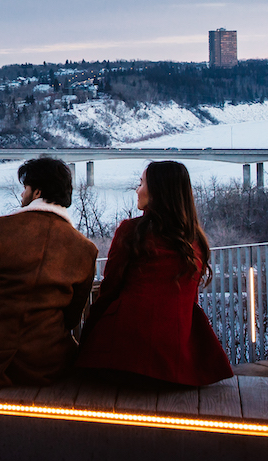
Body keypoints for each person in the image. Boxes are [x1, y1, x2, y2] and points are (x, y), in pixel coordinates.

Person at [75, 161, 233, 386]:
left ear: (158, 190)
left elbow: (109, 291)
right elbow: (189, 301)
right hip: (175, 365)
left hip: (122, 358)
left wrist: (88, 342)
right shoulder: (195, 242)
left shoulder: (131, 231)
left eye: (141, 183)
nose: (137, 190)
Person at [0, 156, 99, 387]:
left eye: (25, 188)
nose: (22, 195)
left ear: (37, 193)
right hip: (50, 361)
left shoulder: (0, 227)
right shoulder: (84, 249)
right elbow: (72, 315)